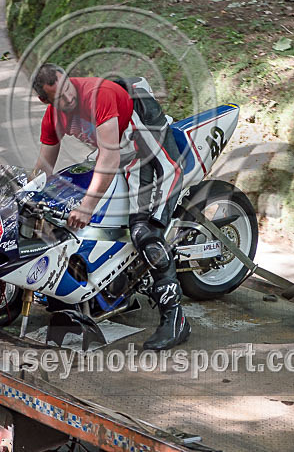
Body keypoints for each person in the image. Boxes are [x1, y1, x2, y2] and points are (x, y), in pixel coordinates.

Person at [31, 64, 190, 351]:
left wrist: (86, 206)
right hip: (118, 153)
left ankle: (175, 317)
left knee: (144, 232)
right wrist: (28, 198)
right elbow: (44, 168)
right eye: (60, 98)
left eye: (69, 89)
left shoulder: (96, 95)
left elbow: (108, 160)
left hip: (150, 156)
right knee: (66, 213)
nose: (69, 99)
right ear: (46, 102)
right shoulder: (53, 116)